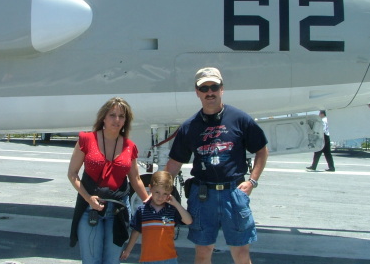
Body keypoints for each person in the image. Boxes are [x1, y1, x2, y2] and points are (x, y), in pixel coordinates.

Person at [165, 67, 269, 264]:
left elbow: (262, 150)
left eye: (214, 87)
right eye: (204, 88)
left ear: (222, 89)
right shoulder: (189, 126)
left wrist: (252, 181)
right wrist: (157, 191)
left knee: (241, 253)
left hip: (234, 194)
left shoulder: (240, 119)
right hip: (203, 196)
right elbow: (174, 163)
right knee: (203, 252)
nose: (209, 92)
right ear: (197, 92)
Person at [67, 97, 149, 264]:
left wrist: (150, 203)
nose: (117, 120)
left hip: (117, 211)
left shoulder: (129, 146)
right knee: (91, 261)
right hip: (90, 210)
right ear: (103, 117)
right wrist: (88, 198)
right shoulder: (86, 139)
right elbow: (73, 174)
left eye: (121, 116)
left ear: (126, 121)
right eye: (112, 115)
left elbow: (135, 179)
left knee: (112, 261)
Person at [120, 170, 192, 263]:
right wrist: (128, 250)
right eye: (157, 192)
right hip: (148, 258)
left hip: (169, 259)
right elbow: (136, 231)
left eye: (165, 193)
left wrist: (176, 204)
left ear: (170, 193)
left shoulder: (172, 210)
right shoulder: (142, 210)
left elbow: (188, 221)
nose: (160, 197)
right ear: (150, 189)